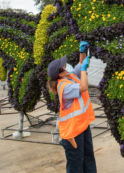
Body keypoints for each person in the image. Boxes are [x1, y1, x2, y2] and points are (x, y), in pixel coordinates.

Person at [47, 41, 97, 173]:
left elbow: (80, 65)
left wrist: (82, 52)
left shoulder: (70, 76)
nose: (66, 65)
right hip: (72, 132)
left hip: (81, 125)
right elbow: (84, 86)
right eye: (63, 66)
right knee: (76, 162)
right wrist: (85, 70)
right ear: (61, 74)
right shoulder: (64, 87)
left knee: (88, 157)